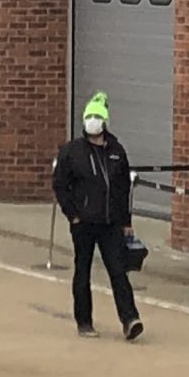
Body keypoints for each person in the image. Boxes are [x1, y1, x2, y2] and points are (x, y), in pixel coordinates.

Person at [49, 91, 143, 340]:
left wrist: (126, 223)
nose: (92, 121)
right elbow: (60, 185)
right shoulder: (72, 151)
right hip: (84, 223)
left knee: (118, 271)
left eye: (96, 116)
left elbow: (122, 189)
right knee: (83, 270)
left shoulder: (116, 151)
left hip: (110, 223)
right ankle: (84, 321)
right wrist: (73, 215)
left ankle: (130, 318)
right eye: (89, 116)